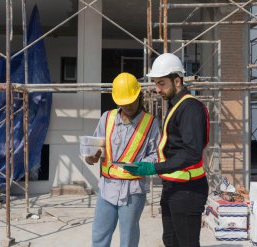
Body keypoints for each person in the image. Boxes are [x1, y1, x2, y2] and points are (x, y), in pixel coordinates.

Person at [124, 53, 210, 247]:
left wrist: (153, 168)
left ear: (177, 80)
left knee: (186, 243)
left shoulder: (190, 108)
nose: (157, 89)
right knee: (170, 241)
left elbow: (191, 153)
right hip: (173, 186)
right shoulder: (176, 106)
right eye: (155, 83)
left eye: (161, 83)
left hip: (188, 189)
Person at [85, 72, 161, 247]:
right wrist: (92, 157)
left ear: (139, 96)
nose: (127, 105)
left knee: (128, 239)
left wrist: (142, 165)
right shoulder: (107, 118)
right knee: (99, 236)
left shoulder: (150, 123)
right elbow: (94, 150)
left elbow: (156, 155)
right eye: (123, 102)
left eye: (131, 101)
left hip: (132, 191)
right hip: (107, 188)